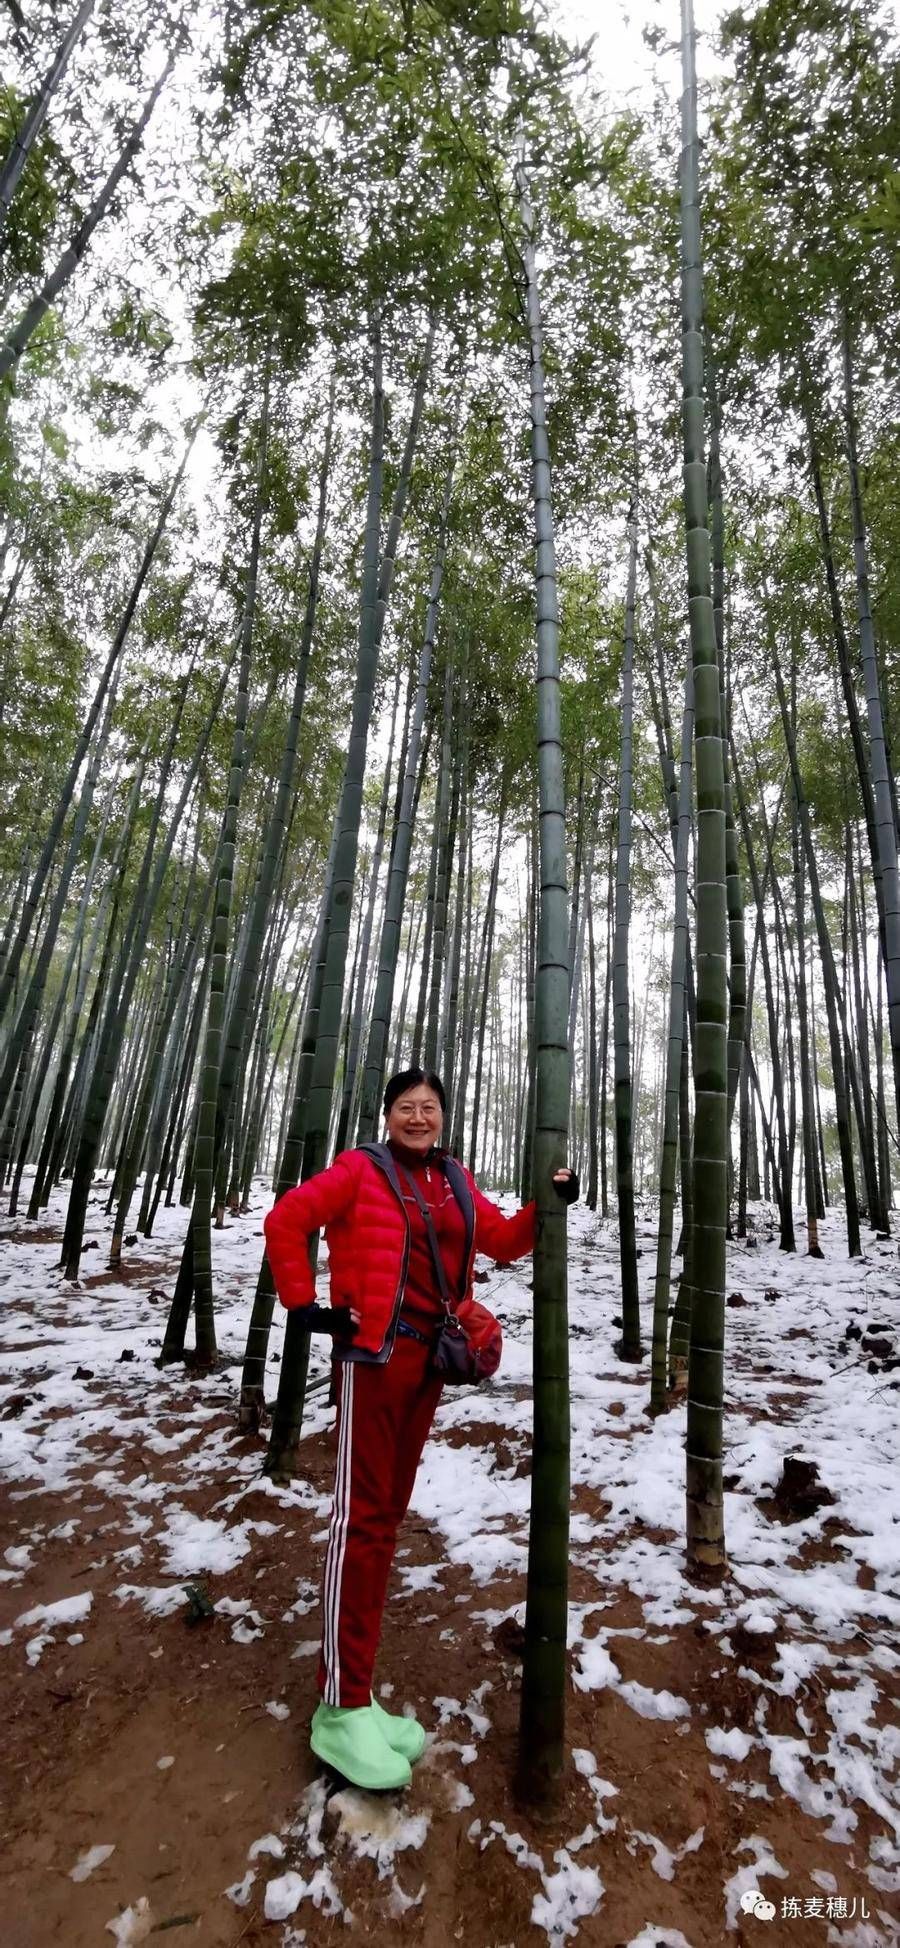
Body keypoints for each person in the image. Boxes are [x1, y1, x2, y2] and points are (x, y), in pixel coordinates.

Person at [263, 1066, 578, 1792]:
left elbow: (499, 1241)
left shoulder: (455, 1180)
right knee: (360, 1522)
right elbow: (287, 1220)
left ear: (443, 1117)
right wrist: (305, 1304)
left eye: (428, 1107)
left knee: (387, 1520)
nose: (417, 1117)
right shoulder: (358, 1170)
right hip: (372, 1360)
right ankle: (338, 1710)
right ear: (387, 1115)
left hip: (428, 1363)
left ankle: (359, 1695)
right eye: (405, 1106)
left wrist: (549, 1201)